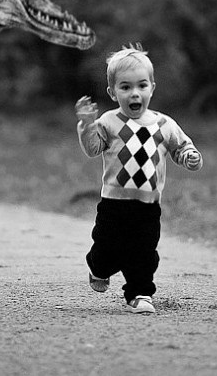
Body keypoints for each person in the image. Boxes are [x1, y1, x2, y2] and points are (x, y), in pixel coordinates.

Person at [75, 44, 203, 314]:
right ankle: (98, 268)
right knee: (106, 248)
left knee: (144, 252)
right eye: (125, 87)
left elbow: (181, 147)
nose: (135, 93)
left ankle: (140, 293)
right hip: (113, 203)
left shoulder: (164, 124)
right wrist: (87, 127)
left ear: (151, 88)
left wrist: (190, 156)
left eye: (141, 86)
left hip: (148, 205)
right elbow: (93, 149)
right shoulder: (109, 122)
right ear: (113, 92)